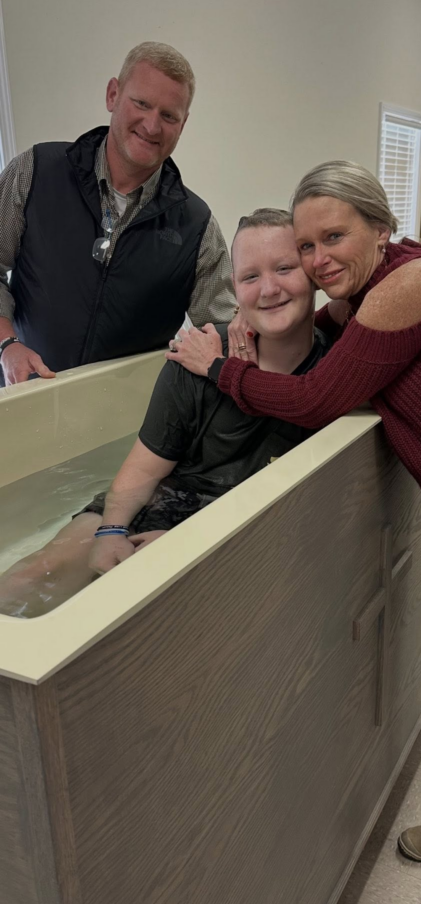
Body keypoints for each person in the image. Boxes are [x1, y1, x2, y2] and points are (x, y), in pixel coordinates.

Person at [166, 159, 421, 865]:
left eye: (333, 237)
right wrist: (256, 317)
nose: (316, 260)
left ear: (381, 227)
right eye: (304, 247)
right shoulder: (368, 293)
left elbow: (316, 400)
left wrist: (218, 368)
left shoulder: (414, 281)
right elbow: (320, 318)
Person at [0, 208, 331, 617]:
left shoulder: (336, 374)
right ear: (235, 288)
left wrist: (187, 540)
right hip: (165, 494)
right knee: (30, 579)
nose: (269, 289)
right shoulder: (196, 359)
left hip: (237, 522)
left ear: (312, 273)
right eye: (250, 277)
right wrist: (111, 530)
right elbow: (143, 469)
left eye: (284, 268)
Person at [0, 41, 236, 386]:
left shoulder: (198, 227)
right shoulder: (33, 172)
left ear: (183, 125)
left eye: (169, 116)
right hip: (27, 395)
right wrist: (7, 344)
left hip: (131, 413)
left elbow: (221, 333)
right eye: (141, 104)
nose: (152, 126)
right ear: (113, 95)